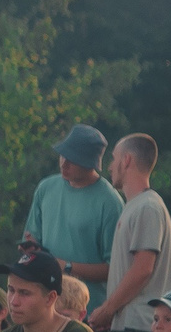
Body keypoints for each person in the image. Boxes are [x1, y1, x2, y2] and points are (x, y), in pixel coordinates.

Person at [90, 133, 171, 332]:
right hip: (129, 325)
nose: (110, 166)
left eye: (113, 159)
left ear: (127, 160)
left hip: (142, 325)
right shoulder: (133, 207)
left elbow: (142, 269)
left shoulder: (147, 207)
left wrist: (107, 309)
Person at [22, 124, 125, 309]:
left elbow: (115, 268)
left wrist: (64, 266)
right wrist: (31, 250)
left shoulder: (110, 203)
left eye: (72, 159)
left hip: (86, 309)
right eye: (62, 155)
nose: (64, 163)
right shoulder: (46, 188)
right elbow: (31, 237)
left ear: (90, 163)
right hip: (45, 306)